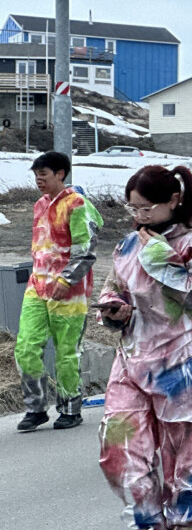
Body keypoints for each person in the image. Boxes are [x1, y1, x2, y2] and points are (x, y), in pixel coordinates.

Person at [97, 165, 192, 527]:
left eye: (146, 209)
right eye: (133, 209)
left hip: (183, 366)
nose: (139, 217)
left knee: (184, 468)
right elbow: (114, 287)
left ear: (173, 200)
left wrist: (155, 250)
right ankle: (147, 521)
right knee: (118, 453)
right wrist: (114, 310)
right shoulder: (128, 244)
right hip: (132, 359)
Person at [14, 151, 103, 432]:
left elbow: (86, 251)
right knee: (26, 347)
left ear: (60, 174)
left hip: (70, 293)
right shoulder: (39, 205)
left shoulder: (77, 204)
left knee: (66, 353)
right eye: (36, 174)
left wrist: (66, 281)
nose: (39, 179)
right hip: (37, 287)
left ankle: (70, 408)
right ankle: (36, 407)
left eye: (44, 173)